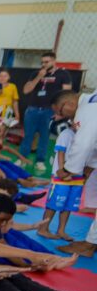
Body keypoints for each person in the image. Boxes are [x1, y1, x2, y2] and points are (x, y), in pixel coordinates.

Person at [58, 89, 97, 258]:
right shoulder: (91, 100)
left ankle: (89, 245)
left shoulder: (87, 109)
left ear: (69, 104)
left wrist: (68, 169)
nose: (61, 117)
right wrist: (89, 167)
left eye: (60, 112)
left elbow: (84, 144)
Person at [20, 52, 73, 172]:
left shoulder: (63, 74)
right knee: (28, 136)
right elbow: (26, 90)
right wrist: (39, 77)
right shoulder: (36, 73)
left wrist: (60, 112)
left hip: (49, 111)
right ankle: (22, 158)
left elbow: (66, 94)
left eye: (46, 62)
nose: (44, 64)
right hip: (32, 109)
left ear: (54, 61)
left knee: (44, 137)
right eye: (42, 62)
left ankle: (40, 161)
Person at [38, 120, 84, 241]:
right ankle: (43, 228)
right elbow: (61, 152)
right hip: (62, 176)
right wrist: (62, 171)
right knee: (54, 203)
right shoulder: (66, 134)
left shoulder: (85, 136)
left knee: (69, 205)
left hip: (77, 176)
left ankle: (61, 230)